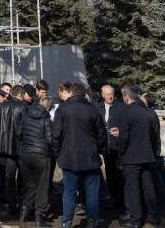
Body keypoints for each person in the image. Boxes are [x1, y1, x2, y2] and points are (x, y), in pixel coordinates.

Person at [52, 82, 106, 228]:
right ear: (84, 95)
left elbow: (56, 135)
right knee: (91, 191)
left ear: (72, 93)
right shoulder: (93, 110)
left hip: (70, 158)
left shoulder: (63, 109)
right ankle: (92, 220)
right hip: (90, 157)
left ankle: (67, 222)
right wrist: (100, 150)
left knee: (69, 191)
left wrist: (58, 154)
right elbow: (102, 134)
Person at [112, 85, 162, 228]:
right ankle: (153, 216)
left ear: (126, 96)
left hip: (131, 157)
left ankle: (135, 220)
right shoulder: (147, 112)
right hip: (147, 155)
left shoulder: (126, 111)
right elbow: (153, 135)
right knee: (148, 187)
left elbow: (124, 138)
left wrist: (120, 149)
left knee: (132, 189)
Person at [17, 89, 55, 226]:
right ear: (48, 107)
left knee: (29, 185)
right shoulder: (46, 119)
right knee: (42, 187)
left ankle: (23, 215)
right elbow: (50, 140)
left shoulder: (25, 115)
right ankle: (39, 218)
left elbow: (19, 133)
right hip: (41, 155)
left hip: (25, 154)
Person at [0, 84, 28, 215]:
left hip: (6, 147)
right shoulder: (23, 107)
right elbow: (25, 128)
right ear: (20, 95)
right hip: (21, 147)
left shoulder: (1, 107)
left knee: (9, 178)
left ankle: (12, 205)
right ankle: (24, 205)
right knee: (24, 178)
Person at [94, 84, 125, 210]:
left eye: (111, 94)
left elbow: (127, 125)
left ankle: (120, 200)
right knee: (109, 173)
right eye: (107, 94)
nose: (110, 96)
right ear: (102, 95)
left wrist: (120, 132)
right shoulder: (98, 107)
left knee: (119, 174)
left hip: (118, 146)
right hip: (106, 146)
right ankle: (112, 198)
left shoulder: (121, 107)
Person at [142, 92, 165, 205]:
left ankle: (161, 200)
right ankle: (163, 198)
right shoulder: (151, 114)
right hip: (159, 151)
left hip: (155, 152)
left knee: (157, 176)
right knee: (159, 176)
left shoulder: (149, 115)